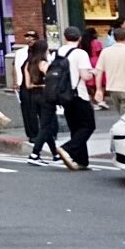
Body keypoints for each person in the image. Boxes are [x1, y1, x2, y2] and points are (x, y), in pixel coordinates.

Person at [51, 26, 98, 172]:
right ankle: (67, 149)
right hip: (78, 93)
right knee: (88, 125)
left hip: (63, 94)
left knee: (75, 127)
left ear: (65, 37)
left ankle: (81, 160)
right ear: (79, 38)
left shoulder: (57, 53)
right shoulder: (80, 53)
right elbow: (85, 76)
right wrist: (94, 72)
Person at [95, 30, 125, 113]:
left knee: (122, 114)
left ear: (114, 38)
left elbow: (98, 72)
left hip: (112, 88)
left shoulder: (105, 52)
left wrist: (98, 89)